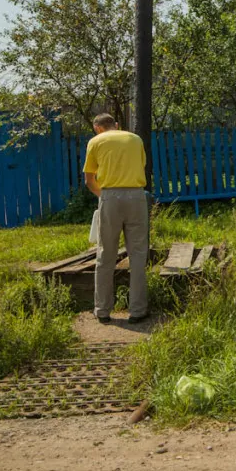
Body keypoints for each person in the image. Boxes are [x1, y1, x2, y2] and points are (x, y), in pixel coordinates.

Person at [83, 113, 150, 325]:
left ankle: (102, 310)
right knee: (138, 254)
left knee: (106, 254)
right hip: (137, 196)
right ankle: (138, 310)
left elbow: (89, 180)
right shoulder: (135, 139)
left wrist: (105, 197)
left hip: (110, 196)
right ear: (117, 125)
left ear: (98, 129)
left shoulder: (95, 142)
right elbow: (141, 165)